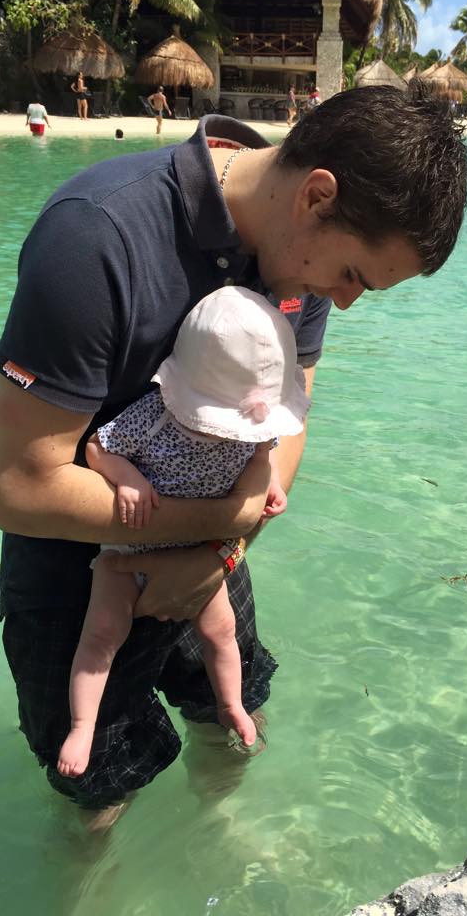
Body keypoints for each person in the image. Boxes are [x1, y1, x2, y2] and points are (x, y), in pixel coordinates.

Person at [0, 82, 467, 815]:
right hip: (74, 566)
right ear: (316, 195)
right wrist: (222, 525)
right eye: (353, 276)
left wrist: (220, 551)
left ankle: (230, 841)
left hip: (215, 546)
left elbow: (291, 411)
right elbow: (20, 486)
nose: (342, 303)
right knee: (98, 786)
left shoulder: (296, 260)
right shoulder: (97, 237)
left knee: (235, 712)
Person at [57, 286, 309, 777]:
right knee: (102, 634)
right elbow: (96, 448)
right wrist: (126, 477)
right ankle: (83, 725)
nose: (232, 434)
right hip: (126, 552)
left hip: (199, 551)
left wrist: (271, 482)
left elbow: (263, 454)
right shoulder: (153, 417)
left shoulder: (253, 430)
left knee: (222, 633)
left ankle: (231, 704)